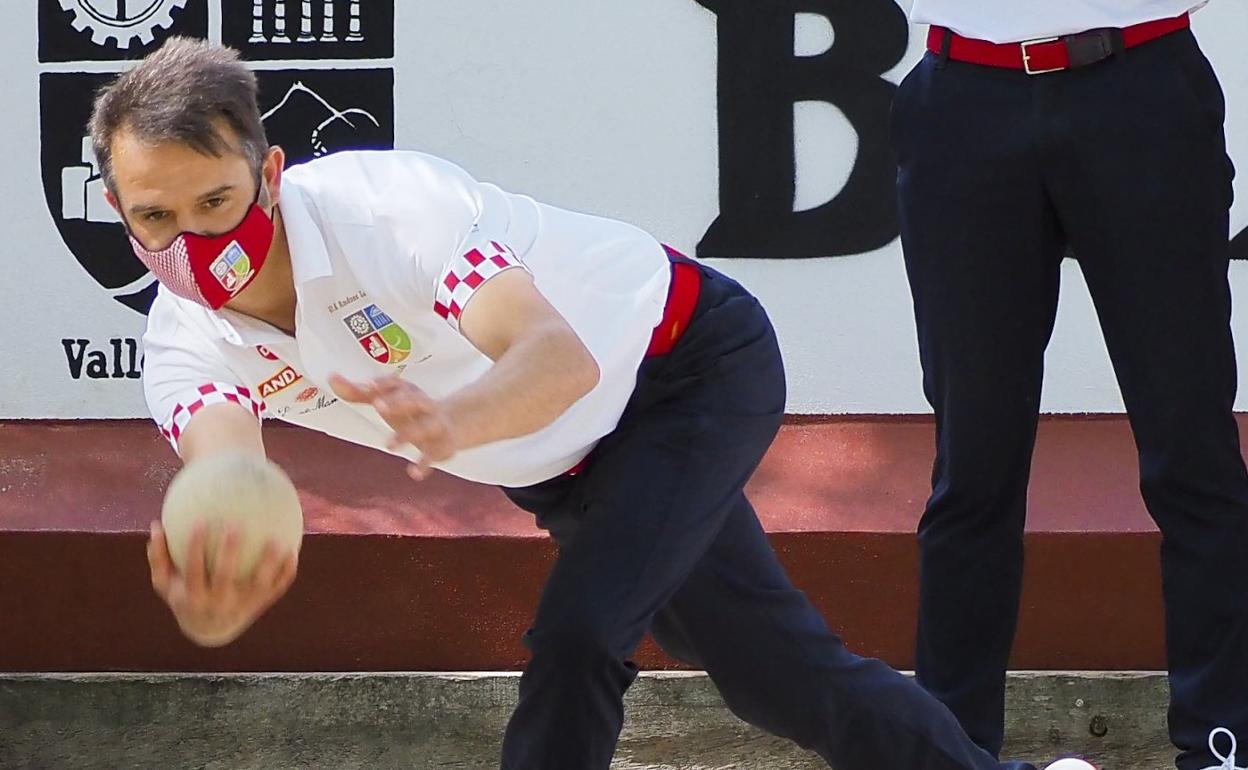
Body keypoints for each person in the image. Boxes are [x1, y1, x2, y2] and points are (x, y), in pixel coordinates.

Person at [94, 36, 1093, 770]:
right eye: (153, 215)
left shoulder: (382, 208)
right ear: (118, 207)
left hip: (687, 365)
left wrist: (453, 422)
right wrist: (225, 534)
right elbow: (228, 458)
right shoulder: (179, 343)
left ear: (269, 174)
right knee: (780, 675)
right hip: (571, 464)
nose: (188, 239)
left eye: (213, 202)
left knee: (578, 636)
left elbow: (553, 355)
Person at [891, 3, 1245, 769]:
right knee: (972, 465)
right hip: (961, 97)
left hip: (1142, 85)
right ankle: (953, 753)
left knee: (1194, 453)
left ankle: (1227, 745)